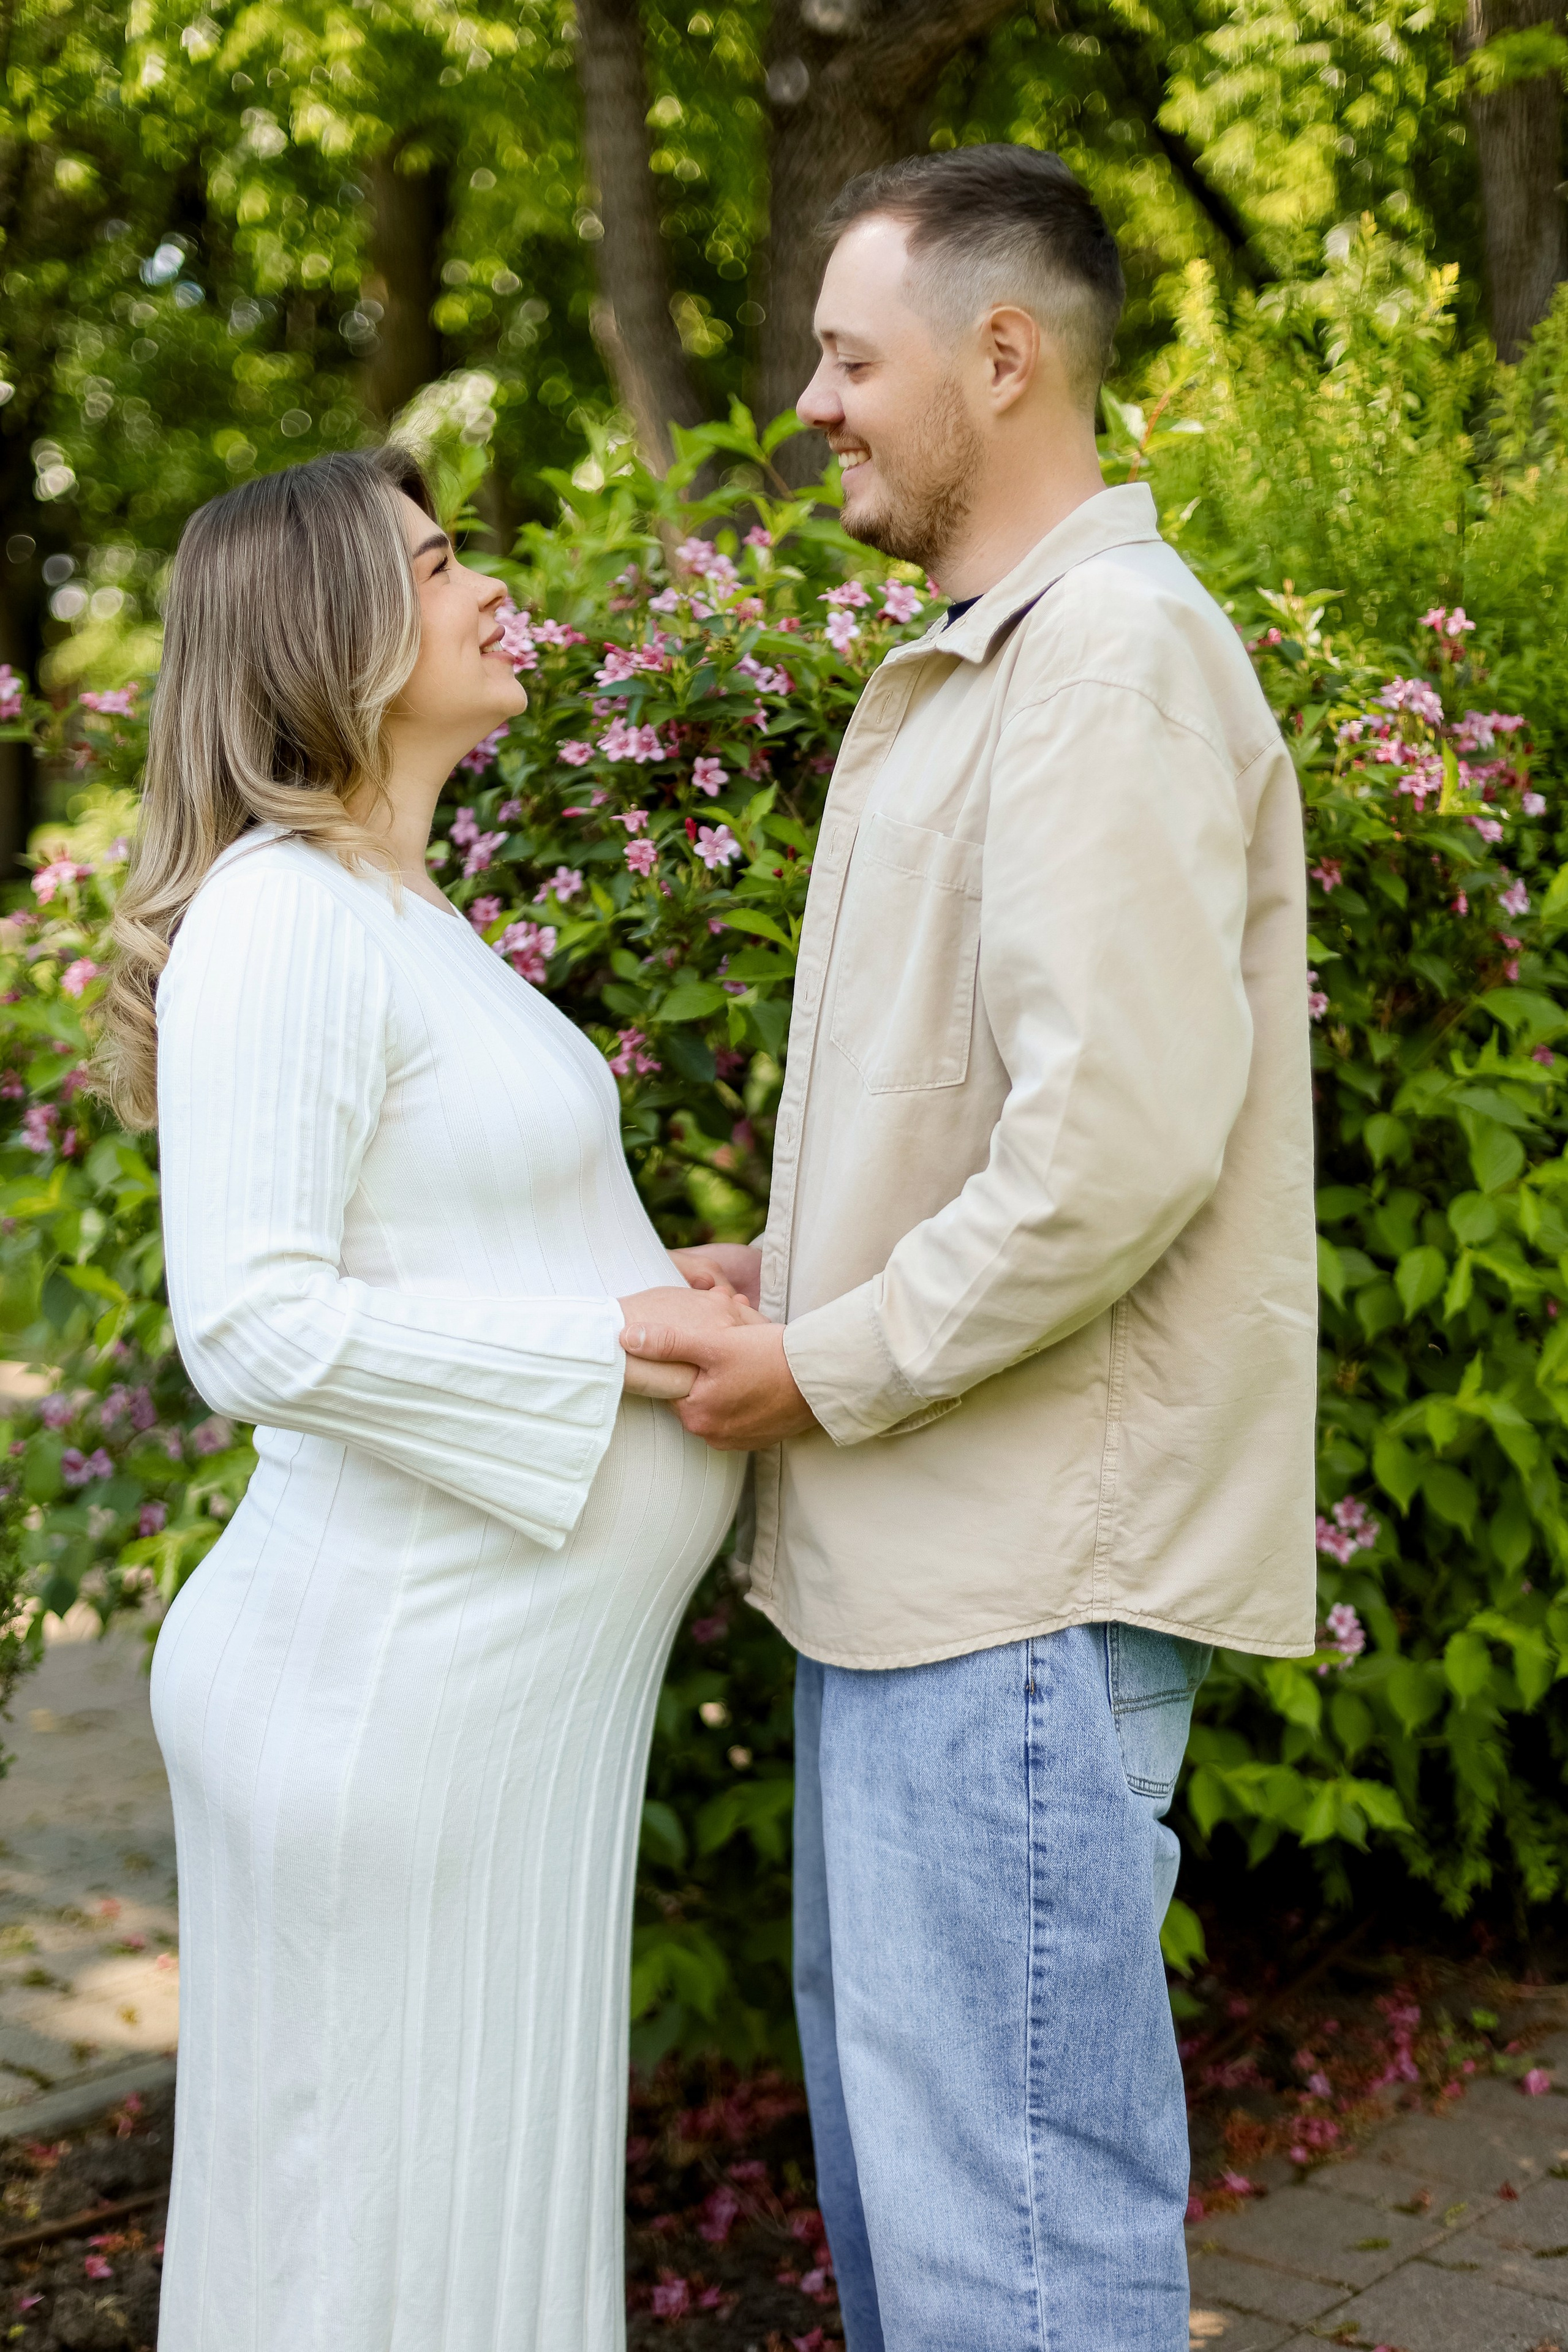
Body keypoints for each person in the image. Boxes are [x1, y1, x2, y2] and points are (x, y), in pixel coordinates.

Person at [624, 146, 1317, 2349]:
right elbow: (999, 1124)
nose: (813, 402)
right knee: (948, 2256)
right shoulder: (1001, 663)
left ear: (1000, 358)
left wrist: (822, 1366)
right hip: (938, 1585)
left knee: (1012, 2271)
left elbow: (1107, 1152)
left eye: (851, 356)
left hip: (1010, 1596)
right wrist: (793, 1266)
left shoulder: (1101, 661)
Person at [98, 447, 753, 2350]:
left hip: (488, 1710)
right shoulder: (287, 914)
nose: (489, 586)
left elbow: (446, 1245)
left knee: (471, 2232)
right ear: (331, 635)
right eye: (441, 560)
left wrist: (664, 1285)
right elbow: (256, 1325)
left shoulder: (399, 914)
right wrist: (614, 1348)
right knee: (370, 2255)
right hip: (386, 1697)